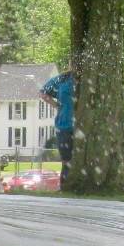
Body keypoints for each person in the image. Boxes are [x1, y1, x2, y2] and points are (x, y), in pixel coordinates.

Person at [40, 62, 75, 190]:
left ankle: (74, 185)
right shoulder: (62, 79)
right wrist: (56, 105)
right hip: (64, 124)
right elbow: (43, 92)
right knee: (66, 159)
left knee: (80, 158)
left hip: (82, 125)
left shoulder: (88, 79)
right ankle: (65, 186)